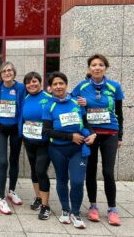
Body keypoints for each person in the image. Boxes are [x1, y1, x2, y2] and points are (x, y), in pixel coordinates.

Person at [72, 54, 124, 226]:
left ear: (105, 68)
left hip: (110, 133)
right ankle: (93, 206)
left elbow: (119, 113)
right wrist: (81, 104)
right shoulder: (82, 86)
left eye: (100, 65)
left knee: (108, 172)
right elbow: (71, 102)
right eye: (93, 65)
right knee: (91, 171)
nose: (97, 67)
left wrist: (120, 135)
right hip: (90, 134)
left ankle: (112, 208)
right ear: (89, 68)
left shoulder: (114, 86)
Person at [43, 72, 97, 229]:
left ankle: (76, 212)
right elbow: (46, 131)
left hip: (78, 149)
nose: (58, 86)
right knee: (61, 180)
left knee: (77, 182)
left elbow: (86, 124)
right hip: (57, 149)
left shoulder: (77, 102)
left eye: (61, 83)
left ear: (66, 85)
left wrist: (92, 134)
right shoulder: (49, 105)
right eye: (55, 84)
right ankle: (65, 210)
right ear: (51, 88)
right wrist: (70, 137)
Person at [0, 62, 26, 214]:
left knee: (14, 159)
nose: (7, 73)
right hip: (0, 128)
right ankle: (0, 198)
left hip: (16, 128)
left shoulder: (20, 87)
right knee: (3, 161)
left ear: (14, 72)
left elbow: (25, 103)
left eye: (10, 70)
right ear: (0, 74)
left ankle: (11, 190)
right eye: (4, 71)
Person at [22, 72, 52, 220]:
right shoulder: (25, 98)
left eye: (34, 81)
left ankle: (46, 206)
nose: (31, 85)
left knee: (41, 170)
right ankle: (38, 197)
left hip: (44, 143)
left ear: (40, 82)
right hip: (29, 141)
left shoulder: (48, 98)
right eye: (28, 82)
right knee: (34, 170)